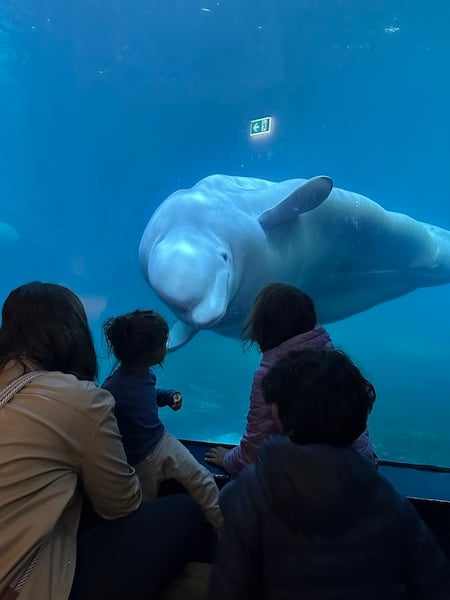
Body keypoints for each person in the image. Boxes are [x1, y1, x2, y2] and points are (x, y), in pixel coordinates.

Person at [0, 282, 206, 600]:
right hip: (23, 585)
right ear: (74, 332)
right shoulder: (81, 398)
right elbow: (119, 505)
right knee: (186, 508)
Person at [209, 349, 450, 600]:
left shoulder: (245, 493)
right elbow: (437, 585)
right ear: (359, 420)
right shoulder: (387, 498)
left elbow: (228, 588)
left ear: (278, 417)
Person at [205, 282, 376, 473]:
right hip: (361, 467)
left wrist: (229, 460)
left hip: (315, 481)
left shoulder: (271, 378)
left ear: (263, 327)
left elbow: (254, 450)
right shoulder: (333, 361)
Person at [102, 309, 223, 530]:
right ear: (151, 352)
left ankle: (221, 526)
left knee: (202, 479)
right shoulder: (111, 389)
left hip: (162, 441)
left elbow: (148, 394)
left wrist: (168, 396)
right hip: (136, 460)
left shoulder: (143, 375)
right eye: (163, 341)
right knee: (140, 508)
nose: (167, 345)